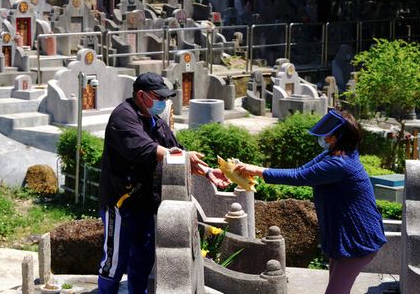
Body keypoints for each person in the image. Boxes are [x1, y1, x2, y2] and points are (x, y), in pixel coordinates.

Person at [97, 72, 229, 294]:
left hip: (145, 202)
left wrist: (207, 172)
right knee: (115, 260)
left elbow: (176, 151)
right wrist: (177, 155)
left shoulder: (155, 122)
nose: (163, 102)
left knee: (143, 257)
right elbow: (142, 148)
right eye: (159, 97)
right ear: (141, 95)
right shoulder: (123, 116)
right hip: (120, 202)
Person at [235, 109, 387, 294]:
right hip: (345, 237)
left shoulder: (339, 164)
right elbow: (300, 170)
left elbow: (298, 177)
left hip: (357, 239)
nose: (324, 137)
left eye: (327, 135)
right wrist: (256, 171)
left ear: (338, 136)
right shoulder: (334, 154)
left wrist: (256, 169)